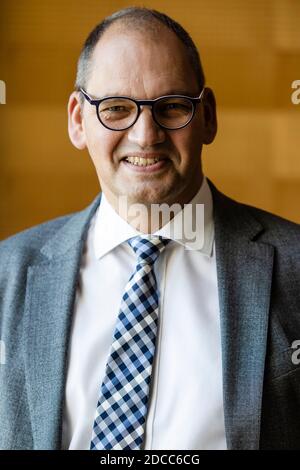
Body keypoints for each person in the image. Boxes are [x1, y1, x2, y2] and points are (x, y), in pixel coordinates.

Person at [0, 7, 300, 451]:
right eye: (116, 108)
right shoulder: (6, 274)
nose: (146, 135)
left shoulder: (295, 266)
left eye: (172, 106)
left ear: (209, 117)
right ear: (78, 120)